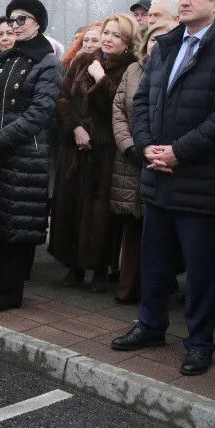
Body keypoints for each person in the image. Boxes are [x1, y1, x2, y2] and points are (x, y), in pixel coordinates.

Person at [112, 0, 215, 377]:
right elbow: (140, 101)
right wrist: (146, 147)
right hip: (159, 176)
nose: (184, 1)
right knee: (155, 261)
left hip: (204, 182)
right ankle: (151, 324)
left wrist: (180, 152)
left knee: (201, 271)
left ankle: (199, 342)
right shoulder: (165, 47)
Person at [0, 0, 62, 312]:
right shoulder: (3, 59)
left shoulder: (47, 62)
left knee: (17, 224)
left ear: (38, 22)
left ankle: (10, 293)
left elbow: (40, 112)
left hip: (25, 153)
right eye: (11, 20)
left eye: (21, 19)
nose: (15, 25)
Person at [50, 15, 138, 289]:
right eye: (107, 33)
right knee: (72, 206)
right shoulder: (83, 60)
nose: (108, 39)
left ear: (127, 41)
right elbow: (64, 97)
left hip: (107, 148)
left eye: (116, 35)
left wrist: (101, 81)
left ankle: (100, 268)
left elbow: (121, 106)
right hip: (76, 146)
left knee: (100, 212)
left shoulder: (131, 68)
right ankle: (73, 267)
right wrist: (75, 127)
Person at [110, 20, 177, 303]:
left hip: (166, 162)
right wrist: (133, 147)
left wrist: (160, 152)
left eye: (163, 38)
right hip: (132, 159)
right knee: (133, 227)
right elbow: (120, 111)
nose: (157, 44)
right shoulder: (134, 70)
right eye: (153, 39)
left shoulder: (177, 70)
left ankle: (158, 291)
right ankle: (129, 289)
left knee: (160, 232)